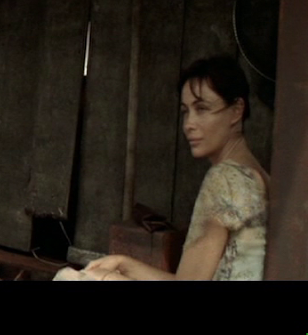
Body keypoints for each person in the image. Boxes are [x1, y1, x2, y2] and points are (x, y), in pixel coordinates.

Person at [55, 55, 268, 281]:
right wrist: (124, 264)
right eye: (185, 111)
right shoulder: (261, 177)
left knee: (70, 278)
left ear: (236, 110)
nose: (189, 124)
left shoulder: (225, 180)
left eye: (202, 109)